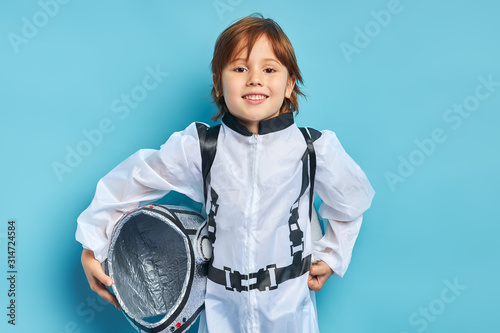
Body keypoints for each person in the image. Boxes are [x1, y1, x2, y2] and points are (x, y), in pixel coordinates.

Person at [77, 14, 375, 333]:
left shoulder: (314, 149)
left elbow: (352, 203)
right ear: (219, 83)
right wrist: (93, 245)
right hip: (222, 314)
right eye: (239, 68)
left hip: (290, 313)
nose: (255, 79)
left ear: (289, 84)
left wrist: (332, 256)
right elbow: (132, 180)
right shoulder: (202, 147)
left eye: (269, 69)